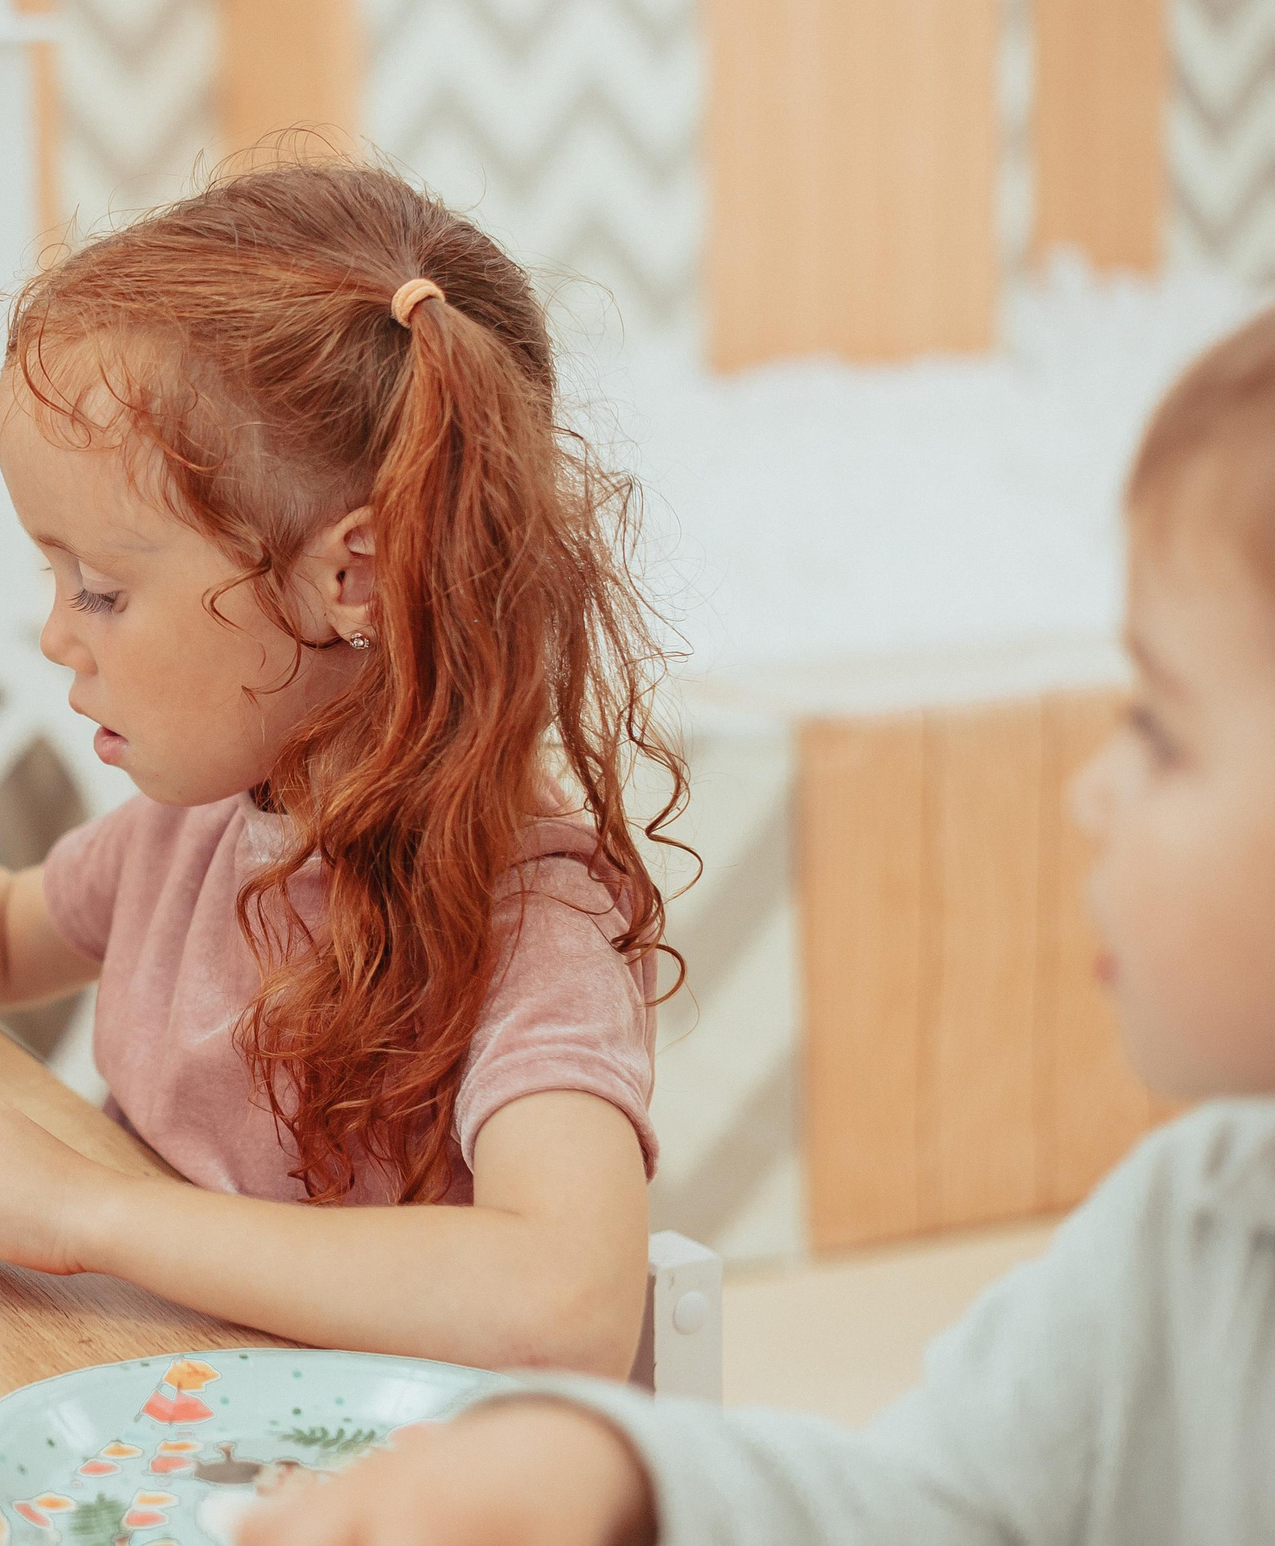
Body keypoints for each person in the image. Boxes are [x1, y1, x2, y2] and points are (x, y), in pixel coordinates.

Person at [239, 308, 1275, 1543]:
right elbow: (939, 1509)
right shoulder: (1190, 1230)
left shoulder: (539, 915)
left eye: (1158, 728)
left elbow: (559, 1287)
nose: (1088, 789)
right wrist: (616, 1477)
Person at [0, 161, 682, 1372]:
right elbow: (0, 937)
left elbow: (566, 1303)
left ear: (353, 577)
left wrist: (92, 1214)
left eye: (102, 589)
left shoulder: (528, 912)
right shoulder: (212, 820)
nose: (56, 633)